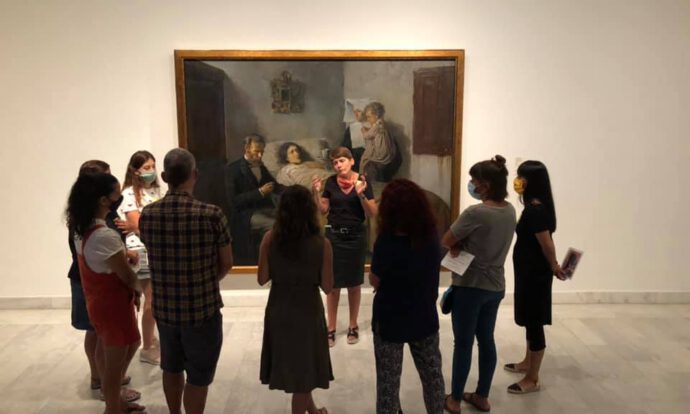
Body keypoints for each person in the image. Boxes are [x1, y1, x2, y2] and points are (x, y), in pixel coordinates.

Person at [139, 148, 233, 414]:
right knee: (199, 375)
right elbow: (226, 263)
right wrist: (204, 281)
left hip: (166, 309)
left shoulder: (149, 214)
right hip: (201, 309)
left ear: (164, 176)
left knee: (171, 366)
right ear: (195, 175)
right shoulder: (211, 214)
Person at [441, 155, 516, 414]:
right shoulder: (510, 210)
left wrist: (459, 244)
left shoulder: (476, 213)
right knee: (486, 340)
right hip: (495, 286)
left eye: (474, 180)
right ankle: (482, 396)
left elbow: (447, 240)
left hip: (470, 286)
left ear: (485, 184)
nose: (471, 184)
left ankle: (454, 399)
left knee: (463, 343)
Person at [66, 173, 145, 414]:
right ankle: (113, 407)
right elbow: (126, 275)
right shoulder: (104, 235)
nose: (119, 197)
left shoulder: (82, 228)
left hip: (99, 301)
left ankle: (115, 403)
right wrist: (139, 288)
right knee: (115, 362)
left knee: (115, 348)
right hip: (112, 304)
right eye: (116, 193)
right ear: (103, 200)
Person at [369, 179, 445, 414]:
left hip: (390, 318)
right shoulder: (431, 238)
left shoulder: (386, 242)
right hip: (423, 315)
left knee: (388, 383)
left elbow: (375, 280)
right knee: (432, 376)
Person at [258, 185, 334, 414]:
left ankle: (313, 410)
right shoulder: (322, 244)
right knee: (304, 370)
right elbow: (328, 286)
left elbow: (262, 278)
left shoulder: (270, 238)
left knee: (300, 370)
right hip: (308, 311)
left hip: (279, 309)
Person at [504, 160, 567, 394]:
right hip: (528, 271)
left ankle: (533, 378)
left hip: (535, 273)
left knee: (534, 321)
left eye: (522, 177)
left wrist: (555, 265)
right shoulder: (534, 206)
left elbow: (546, 243)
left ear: (532, 182)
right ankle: (527, 362)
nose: (518, 182)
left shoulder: (536, 210)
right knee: (529, 318)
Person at [312, 147, 377, 347]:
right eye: (335, 162)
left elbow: (372, 213)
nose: (338, 165)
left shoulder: (363, 181)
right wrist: (316, 193)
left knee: (354, 284)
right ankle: (331, 328)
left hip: (356, 236)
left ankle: (353, 325)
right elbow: (323, 210)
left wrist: (361, 195)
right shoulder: (331, 182)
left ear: (351, 161)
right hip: (334, 237)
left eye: (341, 160)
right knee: (333, 285)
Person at [117, 150, 162, 365]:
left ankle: (151, 338)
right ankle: (147, 347)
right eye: (146, 167)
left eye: (153, 166)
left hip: (156, 247)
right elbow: (136, 225)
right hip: (141, 249)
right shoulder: (128, 194)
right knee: (150, 299)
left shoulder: (156, 191)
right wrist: (143, 226)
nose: (151, 171)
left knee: (157, 298)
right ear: (135, 171)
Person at [225, 134, 282, 264]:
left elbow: (276, 186)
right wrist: (259, 192)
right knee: (275, 225)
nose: (260, 155)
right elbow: (233, 201)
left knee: (289, 221)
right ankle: (268, 263)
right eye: (257, 151)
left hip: (264, 210)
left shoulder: (261, 166)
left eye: (262, 152)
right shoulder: (232, 169)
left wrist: (296, 190)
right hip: (245, 215)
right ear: (246, 148)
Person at [358, 102, 399, 183]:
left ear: (376, 116)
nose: (368, 119)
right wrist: (369, 130)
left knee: (364, 159)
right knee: (366, 154)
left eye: (369, 117)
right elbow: (373, 132)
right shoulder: (381, 123)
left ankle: (361, 178)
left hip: (381, 155)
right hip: (388, 153)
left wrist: (363, 131)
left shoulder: (377, 125)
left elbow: (367, 136)